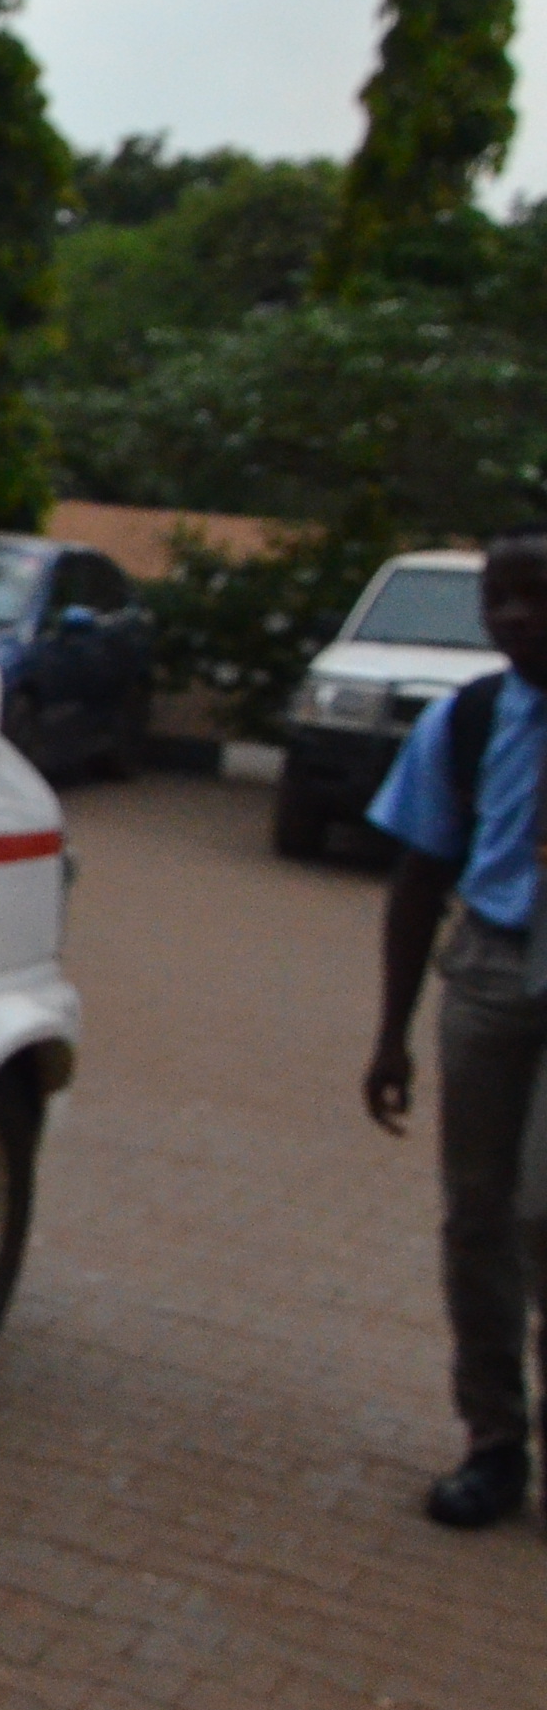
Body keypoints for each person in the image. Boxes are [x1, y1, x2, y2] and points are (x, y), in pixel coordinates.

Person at [364, 526, 547, 1527]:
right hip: (489, 965)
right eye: (501, 599)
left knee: (542, 1209)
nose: (517, 617)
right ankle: (493, 1443)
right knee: (476, 1213)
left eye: (538, 597)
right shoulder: (471, 720)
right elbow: (419, 875)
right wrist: (392, 1034)